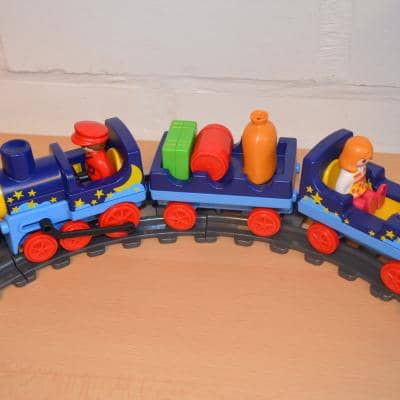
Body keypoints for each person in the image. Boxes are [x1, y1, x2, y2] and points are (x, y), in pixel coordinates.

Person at [335, 135, 387, 213]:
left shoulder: (361, 166)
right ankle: (367, 207)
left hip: (362, 188)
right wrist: (345, 199)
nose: (367, 161)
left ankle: (376, 199)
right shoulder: (347, 175)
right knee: (360, 204)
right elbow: (339, 189)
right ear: (352, 158)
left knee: (370, 195)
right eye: (364, 160)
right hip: (352, 196)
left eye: (368, 159)